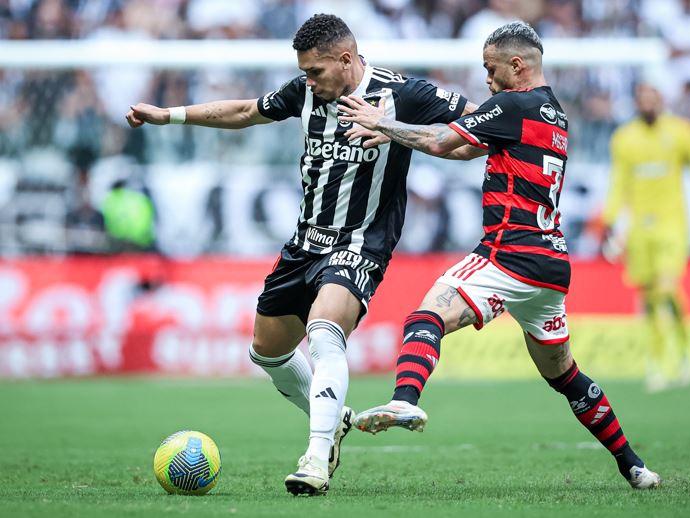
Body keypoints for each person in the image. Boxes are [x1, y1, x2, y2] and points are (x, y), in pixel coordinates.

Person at [126, 13, 473, 496]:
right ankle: (337, 418)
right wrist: (170, 115)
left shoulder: (404, 94)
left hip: (360, 242)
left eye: (316, 71)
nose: (308, 80)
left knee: (324, 334)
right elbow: (245, 111)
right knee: (267, 350)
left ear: (347, 59)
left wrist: (394, 129)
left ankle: (316, 456)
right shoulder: (306, 92)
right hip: (304, 243)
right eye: (305, 72)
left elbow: (480, 126)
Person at [338, 21, 661, 490]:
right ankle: (634, 465)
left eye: (491, 70)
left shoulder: (511, 104)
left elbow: (437, 142)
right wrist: (397, 135)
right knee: (564, 373)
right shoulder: (551, 113)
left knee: (426, 317)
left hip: (508, 252)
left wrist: (382, 122)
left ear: (517, 64)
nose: (486, 81)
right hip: (551, 265)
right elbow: (459, 150)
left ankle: (404, 399)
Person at [603, 83, 690, 392]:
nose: (647, 103)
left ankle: (682, 353)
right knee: (649, 297)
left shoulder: (682, 132)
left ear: (661, 99)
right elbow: (619, 182)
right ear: (636, 102)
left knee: (667, 290)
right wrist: (609, 220)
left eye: (652, 97)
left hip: (672, 225)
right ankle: (656, 364)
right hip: (640, 229)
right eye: (642, 98)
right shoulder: (625, 138)